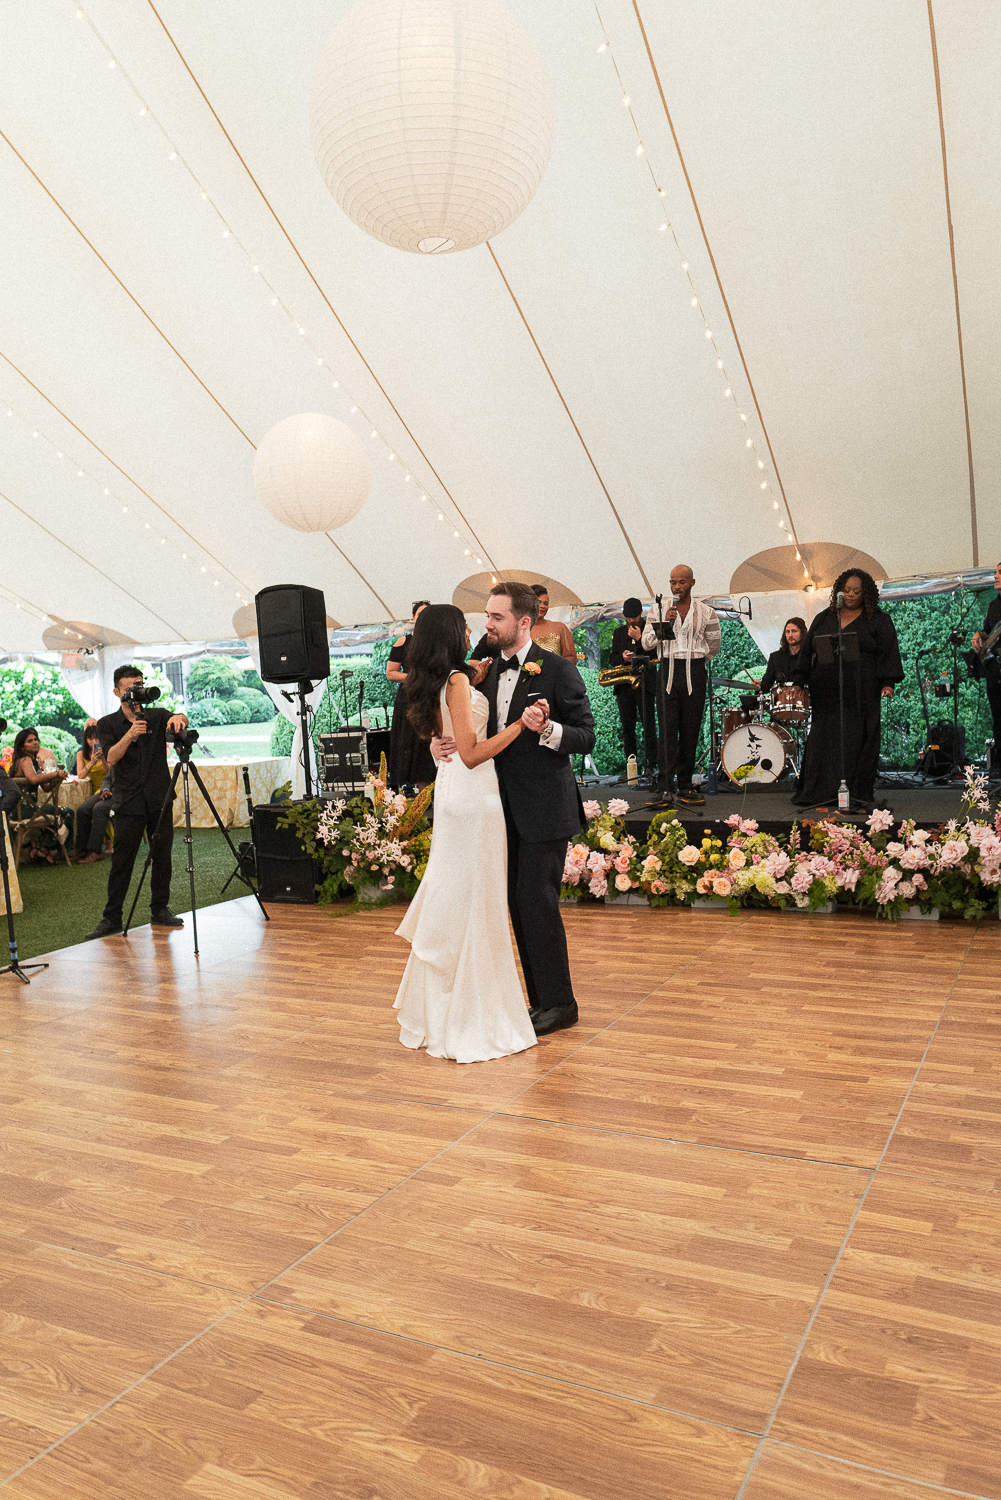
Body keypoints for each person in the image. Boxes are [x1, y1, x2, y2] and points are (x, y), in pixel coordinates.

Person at [432, 581, 596, 1037]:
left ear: (523, 623)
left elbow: (586, 735)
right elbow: (465, 729)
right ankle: (539, 1001)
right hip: (497, 810)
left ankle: (561, 1003)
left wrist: (548, 730)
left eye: (497, 617)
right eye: (487, 615)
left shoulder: (559, 671)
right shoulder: (479, 672)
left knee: (536, 902)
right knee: (515, 904)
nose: (488, 624)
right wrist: (438, 741)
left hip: (545, 808)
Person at [393, 604, 540, 1062]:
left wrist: (469, 689)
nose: (475, 629)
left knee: (458, 892)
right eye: (466, 625)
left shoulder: (440, 680)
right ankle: (471, 1014)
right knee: (477, 898)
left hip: (451, 788)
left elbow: (448, 733)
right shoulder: (455, 682)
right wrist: (520, 724)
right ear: (452, 634)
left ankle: (443, 1005)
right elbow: (474, 753)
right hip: (473, 793)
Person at [83, 666, 190, 940]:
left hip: (160, 798)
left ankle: (159, 909)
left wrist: (179, 717)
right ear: (118, 692)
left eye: (140, 685)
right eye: (130, 687)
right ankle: (112, 918)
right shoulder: (106, 724)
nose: (136, 691)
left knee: (162, 856)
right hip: (128, 800)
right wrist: (130, 734)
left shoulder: (156, 715)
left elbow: (180, 719)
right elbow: (111, 758)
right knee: (122, 861)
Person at [792, 570, 903, 809]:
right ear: (839, 591)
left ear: (867, 594)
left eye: (857, 591)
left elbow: (888, 652)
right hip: (826, 692)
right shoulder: (824, 617)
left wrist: (888, 683)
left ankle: (855, 791)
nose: (851, 595)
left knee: (857, 738)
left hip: (862, 691)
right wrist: (800, 681)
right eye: (847, 590)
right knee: (826, 738)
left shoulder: (878, 620)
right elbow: (807, 649)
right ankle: (821, 791)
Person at [641, 565, 722, 806]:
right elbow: (646, 643)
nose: (677, 587)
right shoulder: (658, 610)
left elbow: (714, 644)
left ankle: (686, 785)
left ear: (692, 583)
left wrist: (696, 660)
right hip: (667, 670)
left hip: (694, 670)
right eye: (673, 582)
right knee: (666, 730)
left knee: (690, 729)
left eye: (682, 582)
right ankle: (664, 786)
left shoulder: (707, 612)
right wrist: (664, 623)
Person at [387, 601, 437, 790]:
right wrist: (416, 677)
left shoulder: (438, 643)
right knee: (412, 743)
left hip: (432, 698)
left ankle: (434, 791)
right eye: (420, 614)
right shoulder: (403, 642)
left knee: (430, 743)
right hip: (410, 699)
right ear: (413, 618)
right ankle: (418, 795)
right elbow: (391, 673)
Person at [609, 597, 657, 775]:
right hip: (624, 686)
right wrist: (622, 657)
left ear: (641, 614)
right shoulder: (619, 632)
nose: (630, 621)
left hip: (645, 684)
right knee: (627, 728)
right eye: (627, 618)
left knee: (649, 727)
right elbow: (612, 659)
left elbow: (655, 656)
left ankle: (652, 765)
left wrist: (639, 641)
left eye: (634, 617)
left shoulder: (650, 630)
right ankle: (631, 766)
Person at [10, 728, 71, 863]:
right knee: (67, 813)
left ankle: (39, 848)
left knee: (59, 811)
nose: (35, 743)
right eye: (30, 741)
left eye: (36, 739)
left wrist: (57, 780)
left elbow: (47, 789)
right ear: (22, 746)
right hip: (24, 810)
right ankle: (44, 848)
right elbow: (33, 779)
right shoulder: (25, 760)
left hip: (28, 809)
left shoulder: (32, 762)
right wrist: (55, 773)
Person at [971, 560, 1001, 779]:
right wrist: (979, 635)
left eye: (1000, 573)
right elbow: (988, 631)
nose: (995, 576)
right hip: (995, 671)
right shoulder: (994, 605)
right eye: (996, 572)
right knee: (998, 719)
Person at [72, 723, 112, 864]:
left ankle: (95, 850)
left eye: (97, 738)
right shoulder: (81, 753)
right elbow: (80, 775)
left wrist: (102, 760)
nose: (94, 742)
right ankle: (82, 850)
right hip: (98, 789)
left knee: (98, 809)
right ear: (86, 739)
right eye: (90, 739)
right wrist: (92, 762)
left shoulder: (109, 751)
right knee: (82, 810)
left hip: (111, 789)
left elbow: (111, 774)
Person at [759, 617, 808, 694]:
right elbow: (766, 685)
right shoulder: (775, 658)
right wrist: (759, 686)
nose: (790, 635)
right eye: (787, 632)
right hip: (781, 702)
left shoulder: (810, 656)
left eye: (794, 631)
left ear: (803, 632)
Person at [529, 584, 577, 660]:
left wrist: (555, 670)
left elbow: (571, 657)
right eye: (538, 602)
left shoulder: (559, 627)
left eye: (546, 603)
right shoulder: (519, 630)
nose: (542, 606)